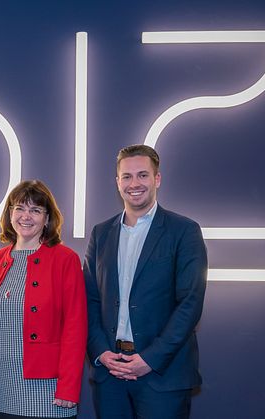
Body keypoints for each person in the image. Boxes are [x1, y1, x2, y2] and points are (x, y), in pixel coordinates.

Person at [83, 144, 208, 419]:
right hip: (110, 374)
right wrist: (101, 352)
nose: (134, 183)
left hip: (162, 376)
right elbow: (89, 300)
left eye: (142, 175)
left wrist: (150, 359)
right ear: (117, 183)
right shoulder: (101, 233)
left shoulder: (184, 231)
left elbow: (190, 303)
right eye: (126, 176)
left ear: (157, 179)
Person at [0, 180, 87, 419]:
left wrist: (68, 387)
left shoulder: (65, 259)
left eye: (35, 210)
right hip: (2, 391)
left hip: (49, 392)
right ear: (10, 214)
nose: (26, 216)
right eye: (20, 208)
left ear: (47, 219)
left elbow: (75, 328)